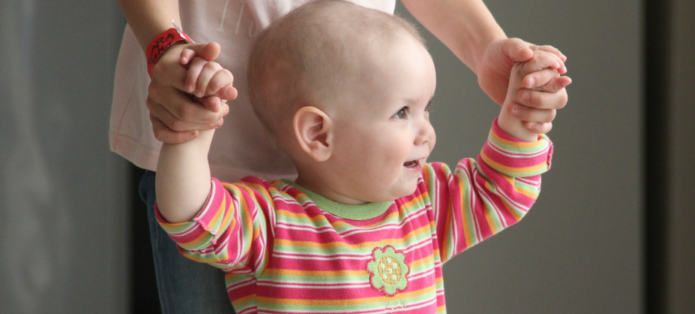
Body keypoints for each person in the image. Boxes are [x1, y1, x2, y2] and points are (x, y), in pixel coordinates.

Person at [113, 0, 567, 312]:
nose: (427, 133)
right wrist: (190, 134)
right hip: (215, 138)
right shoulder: (271, 222)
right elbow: (193, 218)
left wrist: (520, 119)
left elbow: (499, 191)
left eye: (425, 109)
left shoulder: (424, 207)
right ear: (317, 133)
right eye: (403, 112)